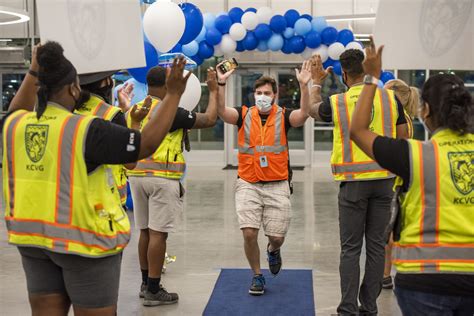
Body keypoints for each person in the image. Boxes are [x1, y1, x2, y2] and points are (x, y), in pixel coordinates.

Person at [2, 41, 190, 316]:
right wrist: (173, 94)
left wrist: (34, 67)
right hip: (83, 243)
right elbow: (145, 145)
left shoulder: (15, 124)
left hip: (33, 240)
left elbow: (16, 109)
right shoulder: (87, 130)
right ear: (73, 88)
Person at [350, 37, 474, 316]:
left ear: (425, 111)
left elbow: (357, 131)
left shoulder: (413, 155)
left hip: (423, 278)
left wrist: (371, 77)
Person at [308, 50, 408, 315]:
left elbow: (311, 110)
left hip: (353, 183)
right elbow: (403, 137)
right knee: (376, 246)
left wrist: (316, 83)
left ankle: (348, 309)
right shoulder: (391, 98)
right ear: (366, 69)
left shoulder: (339, 101)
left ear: (343, 73)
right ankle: (369, 308)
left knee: (351, 249)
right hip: (385, 181)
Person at [216, 60, 312, 296]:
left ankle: (273, 249)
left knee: (277, 237)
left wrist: (305, 87)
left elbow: (304, 115)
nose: (262, 96)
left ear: (275, 95)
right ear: (253, 94)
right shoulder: (243, 114)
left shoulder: (284, 115)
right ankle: (257, 275)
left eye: (267, 93)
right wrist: (221, 83)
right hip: (248, 182)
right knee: (249, 232)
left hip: (277, 184)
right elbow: (221, 112)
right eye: (258, 93)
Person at [126, 66, 219, 306]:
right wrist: (214, 92)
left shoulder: (135, 110)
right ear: (168, 86)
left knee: (145, 231)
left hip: (136, 177)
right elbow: (209, 119)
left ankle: (146, 283)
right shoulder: (171, 113)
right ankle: (154, 290)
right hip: (162, 178)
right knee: (159, 233)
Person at [76, 71, 138, 207]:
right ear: (104, 83)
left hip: (73, 196)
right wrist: (134, 122)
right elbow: (130, 162)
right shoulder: (112, 115)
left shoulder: (67, 110)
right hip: (106, 200)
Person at [382, 78, 420, 289]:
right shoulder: (403, 118)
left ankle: (386, 275)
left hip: (393, 183)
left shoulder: (400, 121)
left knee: (386, 232)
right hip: (397, 182)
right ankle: (386, 274)